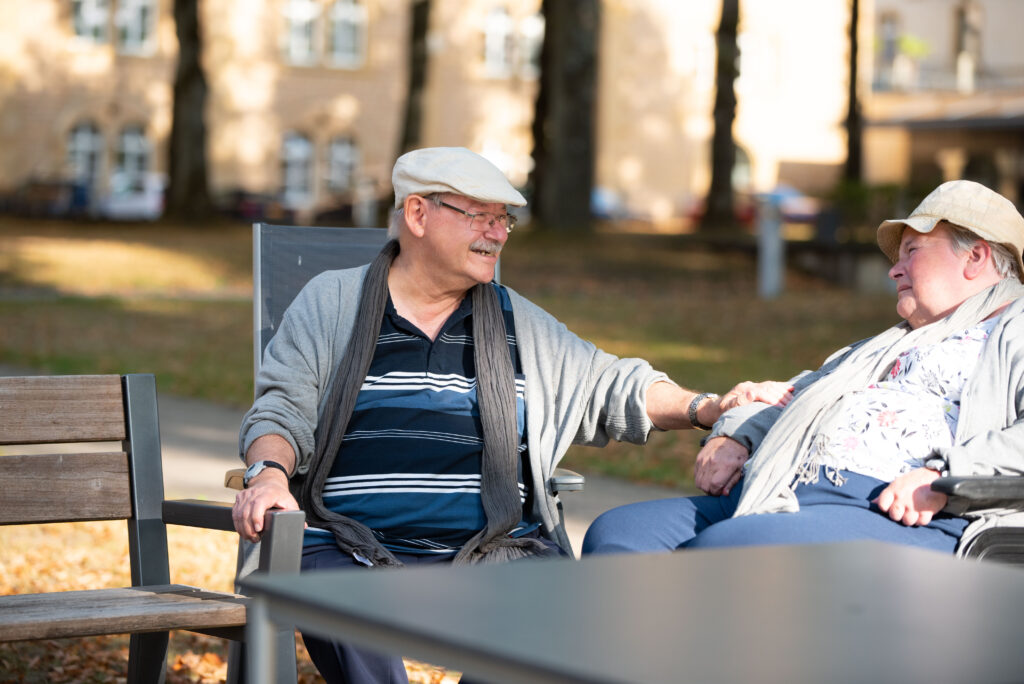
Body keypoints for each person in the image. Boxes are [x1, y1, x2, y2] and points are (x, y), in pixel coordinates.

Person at [231, 146, 786, 684]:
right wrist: (269, 476)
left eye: (504, 221)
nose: (497, 234)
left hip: (490, 550)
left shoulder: (516, 320)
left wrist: (706, 407)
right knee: (339, 597)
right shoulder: (332, 303)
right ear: (418, 214)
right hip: (348, 545)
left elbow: (611, 384)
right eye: (481, 216)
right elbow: (281, 410)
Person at [583, 179, 1024, 558]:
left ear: (976, 257)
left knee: (724, 554)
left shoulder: (1015, 327)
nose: (895, 270)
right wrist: (735, 433)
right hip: (785, 492)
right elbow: (798, 394)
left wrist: (945, 476)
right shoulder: (889, 343)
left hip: (907, 516)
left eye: (912, 251)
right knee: (620, 536)